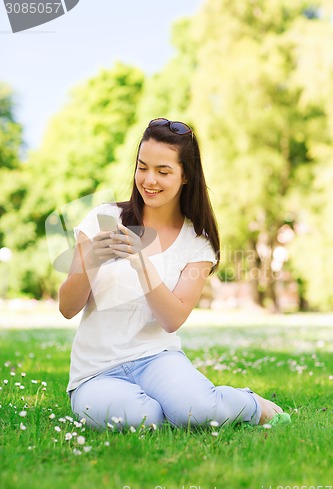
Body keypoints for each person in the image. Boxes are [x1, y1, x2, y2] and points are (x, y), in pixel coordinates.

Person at [59, 117, 285, 430]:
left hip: (158, 358)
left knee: (197, 412)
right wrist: (91, 262)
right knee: (143, 419)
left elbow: (172, 319)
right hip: (95, 372)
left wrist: (140, 260)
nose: (149, 180)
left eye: (163, 171)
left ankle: (249, 404)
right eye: (142, 167)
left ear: (186, 177)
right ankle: (176, 406)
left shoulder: (197, 243)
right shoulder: (104, 218)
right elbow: (67, 308)